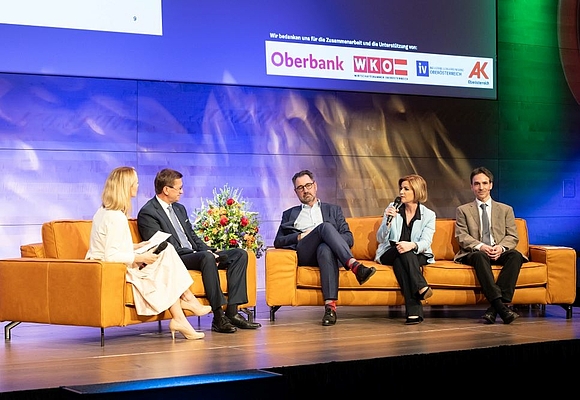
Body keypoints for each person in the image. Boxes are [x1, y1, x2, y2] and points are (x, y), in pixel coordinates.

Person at [86, 166, 210, 340]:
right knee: (165, 260)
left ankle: (181, 315)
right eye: (135, 183)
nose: (137, 186)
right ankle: (187, 301)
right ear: (126, 186)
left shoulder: (105, 212)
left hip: (116, 263)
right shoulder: (115, 217)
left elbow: (111, 245)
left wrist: (137, 246)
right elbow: (110, 256)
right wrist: (141, 257)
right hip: (111, 269)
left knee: (166, 251)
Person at [137, 168, 261, 334]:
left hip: (195, 253)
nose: (182, 191)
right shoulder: (148, 213)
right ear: (166, 190)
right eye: (179, 188)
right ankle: (218, 317)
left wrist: (210, 250)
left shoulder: (179, 209)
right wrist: (202, 254)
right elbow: (164, 246)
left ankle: (232, 313)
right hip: (176, 258)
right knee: (206, 258)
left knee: (239, 254)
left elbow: (193, 237)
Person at [273, 169, 376, 326]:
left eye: (308, 185)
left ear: (315, 186)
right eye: (300, 188)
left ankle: (330, 309)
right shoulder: (290, 214)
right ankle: (354, 266)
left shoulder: (333, 210)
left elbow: (349, 238)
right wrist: (300, 236)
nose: (305, 190)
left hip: (328, 255)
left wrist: (329, 240)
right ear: (296, 192)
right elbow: (278, 241)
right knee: (324, 227)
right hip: (305, 252)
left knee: (325, 247)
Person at [454, 166, 526, 324]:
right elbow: (462, 236)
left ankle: (495, 308)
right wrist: (481, 246)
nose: (481, 187)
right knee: (479, 256)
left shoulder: (506, 209)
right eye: (477, 184)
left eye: (485, 183)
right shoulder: (463, 210)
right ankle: (501, 307)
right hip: (475, 252)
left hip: (498, 249)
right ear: (472, 186)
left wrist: (500, 248)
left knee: (515, 255)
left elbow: (512, 236)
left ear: (491, 185)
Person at [375, 174, 436, 325]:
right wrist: (388, 222)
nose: (401, 192)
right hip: (390, 252)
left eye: (406, 189)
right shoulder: (393, 208)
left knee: (402, 259)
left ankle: (414, 312)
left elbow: (426, 242)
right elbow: (380, 238)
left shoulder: (428, 215)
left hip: (416, 252)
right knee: (401, 251)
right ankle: (420, 286)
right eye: (401, 188)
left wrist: (412, 245)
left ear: (417, 191)